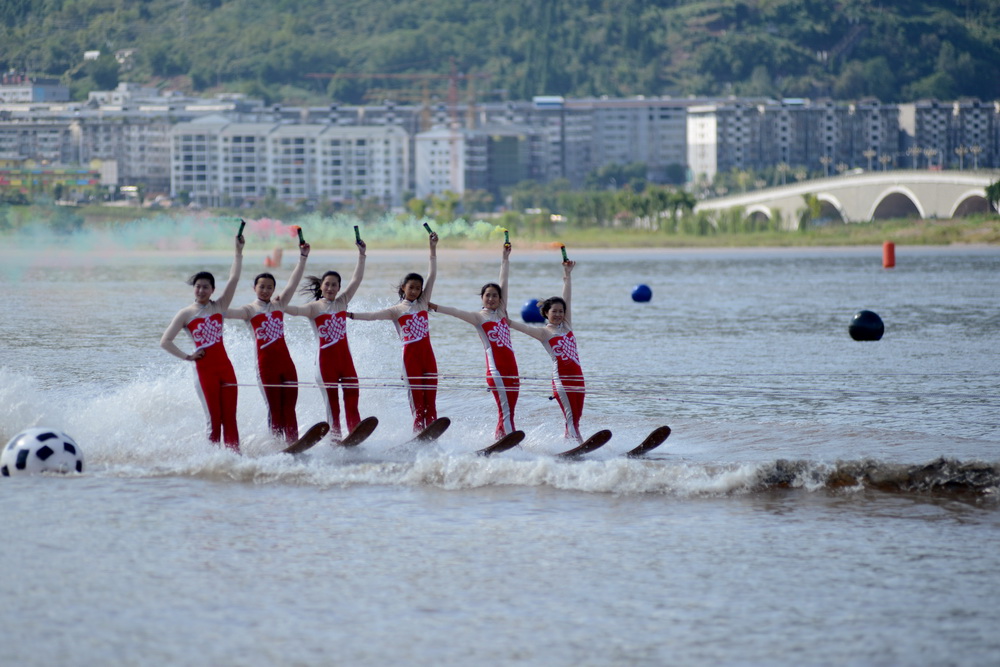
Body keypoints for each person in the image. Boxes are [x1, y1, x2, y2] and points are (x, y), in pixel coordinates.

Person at [160, 232, 245, 451]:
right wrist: (188, 357)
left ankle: (235, 459)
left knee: (231, 420)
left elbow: (234, 279)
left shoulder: (220, 306)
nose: (201, 290)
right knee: (215, 422)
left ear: (212, 290)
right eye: (198, 286)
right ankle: (211, 462)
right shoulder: (185, 314)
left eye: (205, 287)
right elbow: (166, 341)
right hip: (204, 370)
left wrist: (238, 251)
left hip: (225, 368)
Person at [347, 232, 439, 432]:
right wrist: (352, 315)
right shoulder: (396, 310)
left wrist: (432, 248)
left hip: (428, 358)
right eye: (411, 288)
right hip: (411, 360)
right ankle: (417, 436)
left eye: (418, 288)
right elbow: (373, 315)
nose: (414, 291)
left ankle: (432, 434)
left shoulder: (423, 304)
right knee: (418, 405)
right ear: (403, 288)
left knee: (431, 403)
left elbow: (432, 275)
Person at [430, 242, 519, 439]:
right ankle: (512, 442)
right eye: (488, 295)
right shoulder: (479, 317)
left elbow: (504, 281)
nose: (491, 298)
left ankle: (500, 440)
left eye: (495, 296)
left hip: (512, 368)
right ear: (482, 297)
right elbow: (456, 312)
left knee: (509, 410)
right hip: (496, 370)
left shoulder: (503, 312)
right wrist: (436, 306)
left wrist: (505, 258)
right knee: (505, 410)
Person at [225, 243, 310, 443]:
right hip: (266, 367)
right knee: (275, 410)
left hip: (287, 365)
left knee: (289, 408)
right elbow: (224, 312)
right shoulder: (248, 310)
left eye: (269, 287)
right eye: (261, 287)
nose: (265, 290)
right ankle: (275, 445)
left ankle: (293, 443)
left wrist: (303, 257)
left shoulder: (279, 305)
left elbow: (293, 282)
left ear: (273, 289)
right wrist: (210, 305)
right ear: (254, 288)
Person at [283, 238, 366, 440]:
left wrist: (362, 255)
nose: (330, 288)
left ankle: (355, 435)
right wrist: (278, 303)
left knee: (353, 397)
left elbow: (356, 279)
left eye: (334, 285)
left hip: (345, 362)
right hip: (325, 364)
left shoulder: (342, 302)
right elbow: (290, 310)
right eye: (327, 284)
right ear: (321, 287)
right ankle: (335, 441)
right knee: (333, 407)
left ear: (339, 288)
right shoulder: (314, 308)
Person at [508, 260, 585, 442]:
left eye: (561, 311)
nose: (558, 314)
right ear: (546, 313)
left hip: (578, 377)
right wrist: (507, 320)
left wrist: (567, 274)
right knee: (571, 418)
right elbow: (521, 327)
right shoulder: (544, 333)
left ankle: (571, 445)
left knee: (577, 418)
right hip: (562, 381)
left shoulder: (567, 326)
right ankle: (576, 445)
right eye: (554, 311)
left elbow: (567, 298)